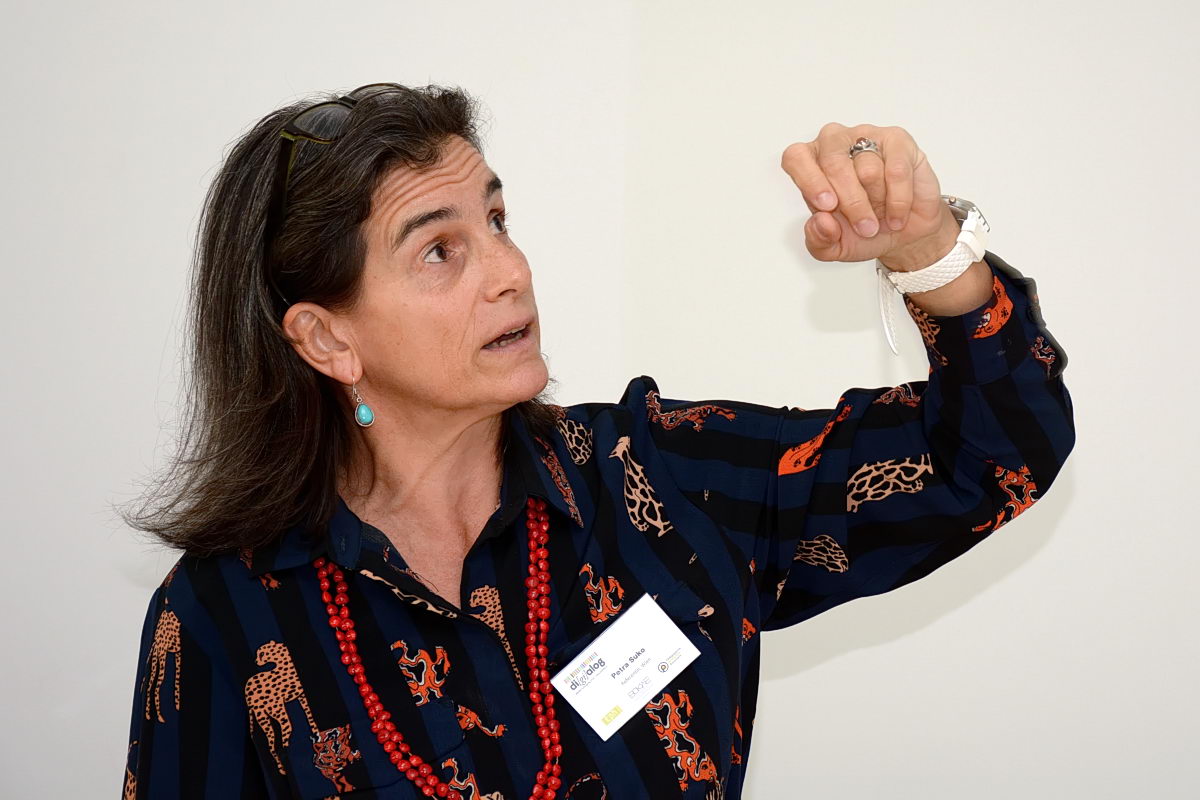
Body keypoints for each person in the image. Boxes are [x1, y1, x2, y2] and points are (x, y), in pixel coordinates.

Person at [119, 82, 1075, 799]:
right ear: (327, 339)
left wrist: (927, 252)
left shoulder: (659, 481)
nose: (511, 271)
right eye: (441, 250)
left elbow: (989, 462)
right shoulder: (225, 615)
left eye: (498, 220)